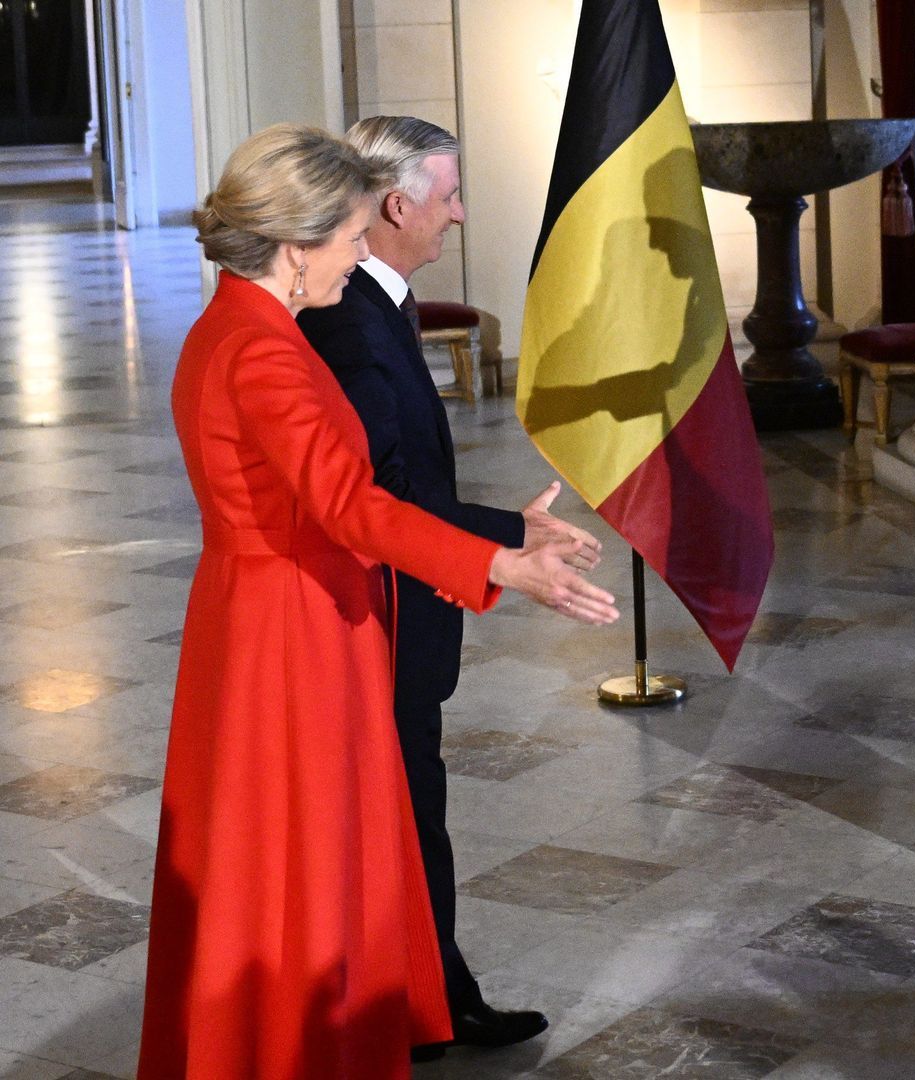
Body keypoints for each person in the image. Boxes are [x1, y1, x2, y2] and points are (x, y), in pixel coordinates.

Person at [139, 124, 617, 1079]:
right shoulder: (267, 351)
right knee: (304, 860)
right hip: (293, 628)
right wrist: (497, 563)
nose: (361, 257)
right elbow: (353, 506)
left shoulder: (231, 324)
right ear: (296, 243)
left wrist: (494, 539)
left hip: (257, 612)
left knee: (271, 856)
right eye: (352, 239)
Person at [296, 115, 593, 1058]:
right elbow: (378, 496)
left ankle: (426, 998)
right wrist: (504, 546)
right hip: (379, 615)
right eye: (450, 196)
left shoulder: (379, 304)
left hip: (400, 603)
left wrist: (510, 524)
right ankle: (430, 1008)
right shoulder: (352, 322)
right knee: (405, 813)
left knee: (407, 811)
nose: (460, 215)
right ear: (395, 205)